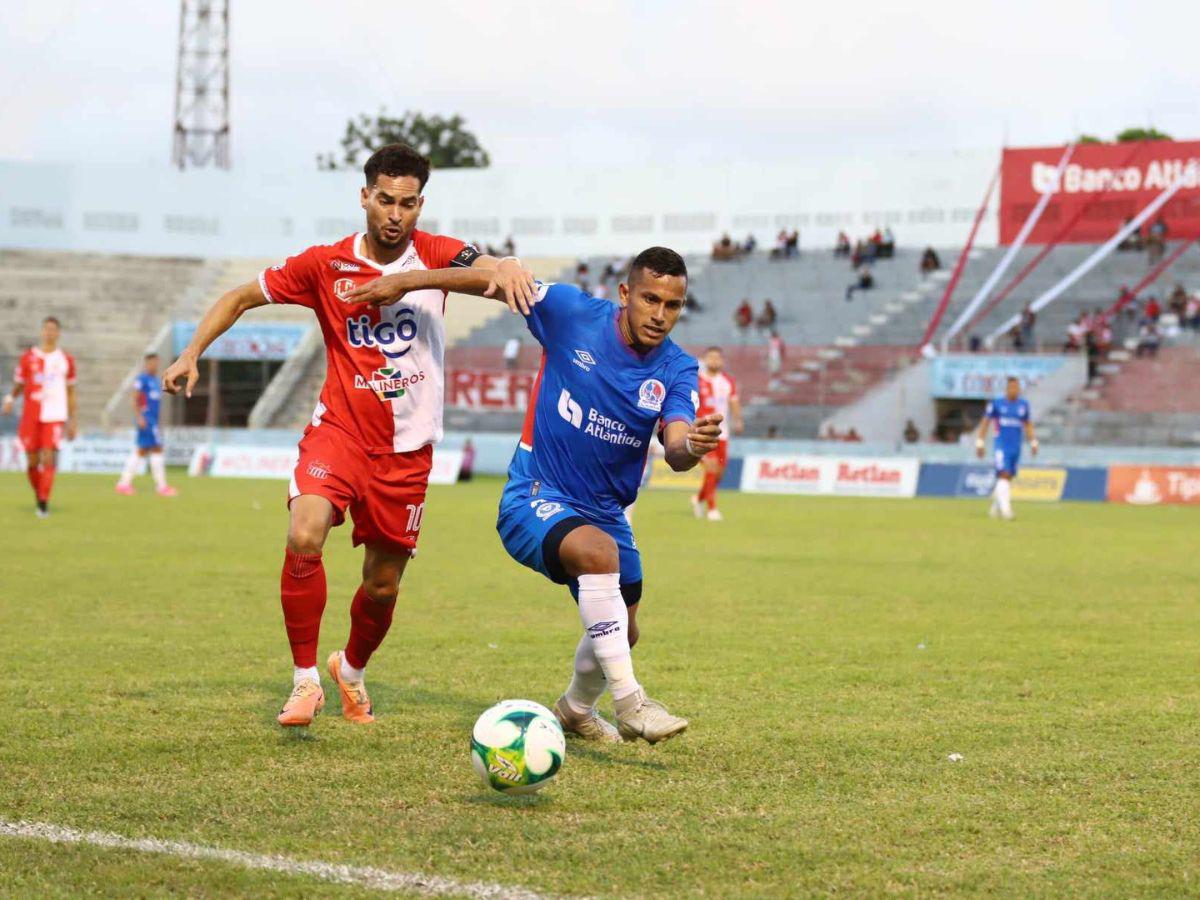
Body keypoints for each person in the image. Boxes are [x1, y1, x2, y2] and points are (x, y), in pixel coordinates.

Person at [161, 143, 535, 730]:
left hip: (407, 450)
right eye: (384, 199)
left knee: (382, 587)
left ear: (420, 206)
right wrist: (190, 353)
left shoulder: (435, 253)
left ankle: (350, 671)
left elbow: (490, 270)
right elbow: (239, 296)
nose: (395, 214)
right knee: (305, 530)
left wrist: (470, 269)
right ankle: (304, 680)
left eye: (407, 204)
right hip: (338, 432)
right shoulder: (324, 264)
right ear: (365, 197)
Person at [349, 247, 721, 744]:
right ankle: (632, 704)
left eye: (672, 306)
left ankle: (574, 709)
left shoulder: (678, 368)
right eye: (650, 299)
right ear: (625, 294)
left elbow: (676, 446)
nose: (659, 315)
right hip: (535, 495)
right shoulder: (570, 313)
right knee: (598, 555)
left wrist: (691, 446)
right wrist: (411, 281)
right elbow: (496, 283)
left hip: (605, 512)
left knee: (622, 631)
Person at [3, 316, 77, 517]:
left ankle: (43, 502)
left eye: (53, 329)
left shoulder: (65, 360)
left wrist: (72, 421)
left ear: (58, 333)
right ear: (42, 331)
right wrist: (10, 398)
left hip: (54, 415)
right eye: (47, 329)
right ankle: (40, 493)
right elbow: (19, 383)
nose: (50, 332)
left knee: (48, 456)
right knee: (32, 462)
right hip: (31, 414)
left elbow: (71, 392)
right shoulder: (28, 357)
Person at [691, 346, 743, 522]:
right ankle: (712, 509)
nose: (714, 361)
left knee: (718, 473)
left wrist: (738, 420)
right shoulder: (696, 381)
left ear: (722, 361)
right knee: (711, 466)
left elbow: (734, 402)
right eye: (711, 357)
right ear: (704, 360)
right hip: (702, 433)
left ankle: (698, 500)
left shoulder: (727, 381)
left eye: (717, 358)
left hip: (723, 433)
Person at [975, 376, 1038, 521]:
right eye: (1011, 387)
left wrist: (1033, 442)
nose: (1014, 390)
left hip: (1015, 446)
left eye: (1016, 387)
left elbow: (1028, 424)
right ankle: (1006, 511)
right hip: (1001, 445)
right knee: (1003, 474)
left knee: (1008, 477)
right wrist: (980, 442)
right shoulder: (997, 404)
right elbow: (985, 422)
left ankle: (995, 506)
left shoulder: (1023, 405)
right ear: (1006, 389)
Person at [115, 353, 177, 497]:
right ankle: (161, 487)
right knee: (156, 448)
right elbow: (134, 399)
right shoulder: (141, 379)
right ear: (146, 363)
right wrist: (140, 417)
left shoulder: (156, 381)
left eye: (156, 362)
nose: (154, 365)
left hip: (152, 420)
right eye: (152, 362)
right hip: (146, 419)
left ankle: (123, 483)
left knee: (141, 450)